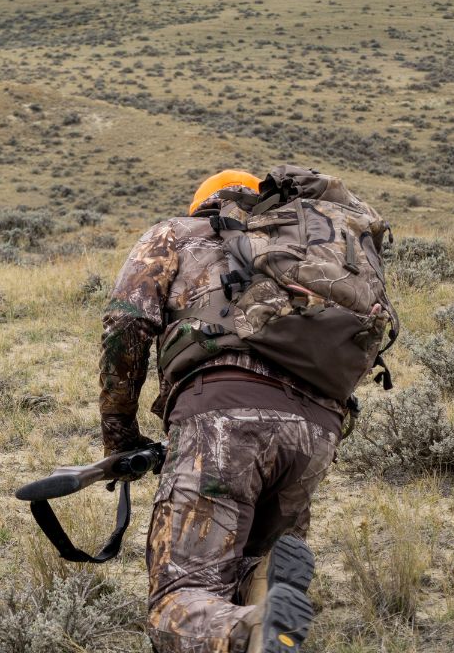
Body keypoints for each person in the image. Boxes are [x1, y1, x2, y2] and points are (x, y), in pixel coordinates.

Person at [99, 167, 395, 652]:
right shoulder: (303, 247)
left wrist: (120, 437)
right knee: (251, 562)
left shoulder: (176, 233)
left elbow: (125, 326)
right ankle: (265, 593)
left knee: (179, 597)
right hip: (317, 430)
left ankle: (249, 627)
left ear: (202, 205)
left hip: (222, 414)